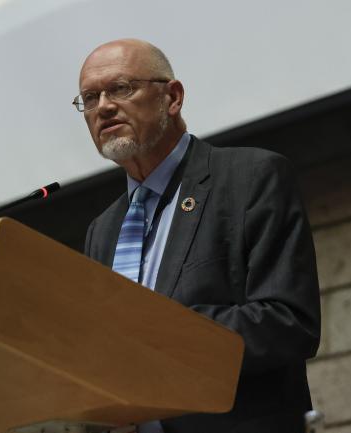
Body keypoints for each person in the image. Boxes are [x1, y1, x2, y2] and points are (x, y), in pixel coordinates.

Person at [77, 39, 321, 433]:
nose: (103, 106)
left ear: (172, 98)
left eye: (121, 88)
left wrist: (157, 335)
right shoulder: (102, 231)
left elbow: (288, 323)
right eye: (89, 98)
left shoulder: (250, 178)